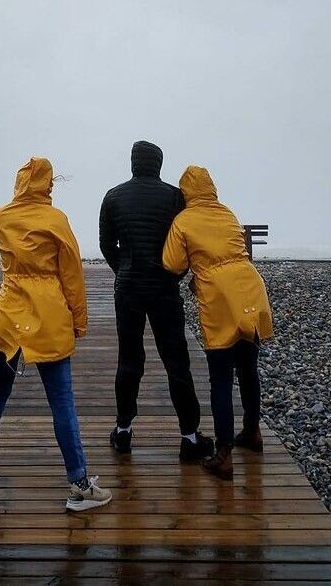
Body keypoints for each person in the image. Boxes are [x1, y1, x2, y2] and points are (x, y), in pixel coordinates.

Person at [0, 156, 112, 512]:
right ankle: (79, 484)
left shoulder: (2, 216)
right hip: (47, 316)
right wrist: (79, 321)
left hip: (9, 315)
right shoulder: (55, 220)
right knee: (61, 401)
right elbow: (72, 276)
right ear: (48, 184)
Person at [99, 141, 213, 461]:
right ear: (159, 165)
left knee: (129, 360)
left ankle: (123, 431)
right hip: (164, 289)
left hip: (129, 288)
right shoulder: (175, 197)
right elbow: (186, 242)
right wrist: (174, 277)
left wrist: (122, 270)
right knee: (177, 362)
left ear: (133, 162)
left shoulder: (113, 196)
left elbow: (106, 243)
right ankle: (189, 437)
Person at [162, 165, 274, 480]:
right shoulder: (226, 213)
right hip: (250, 287)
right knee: (249, 368)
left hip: (220, 296)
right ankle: (252, 432)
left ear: (185, 193)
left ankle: (223, 454)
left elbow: (172, 263)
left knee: (221, 377)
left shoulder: (183, 220)